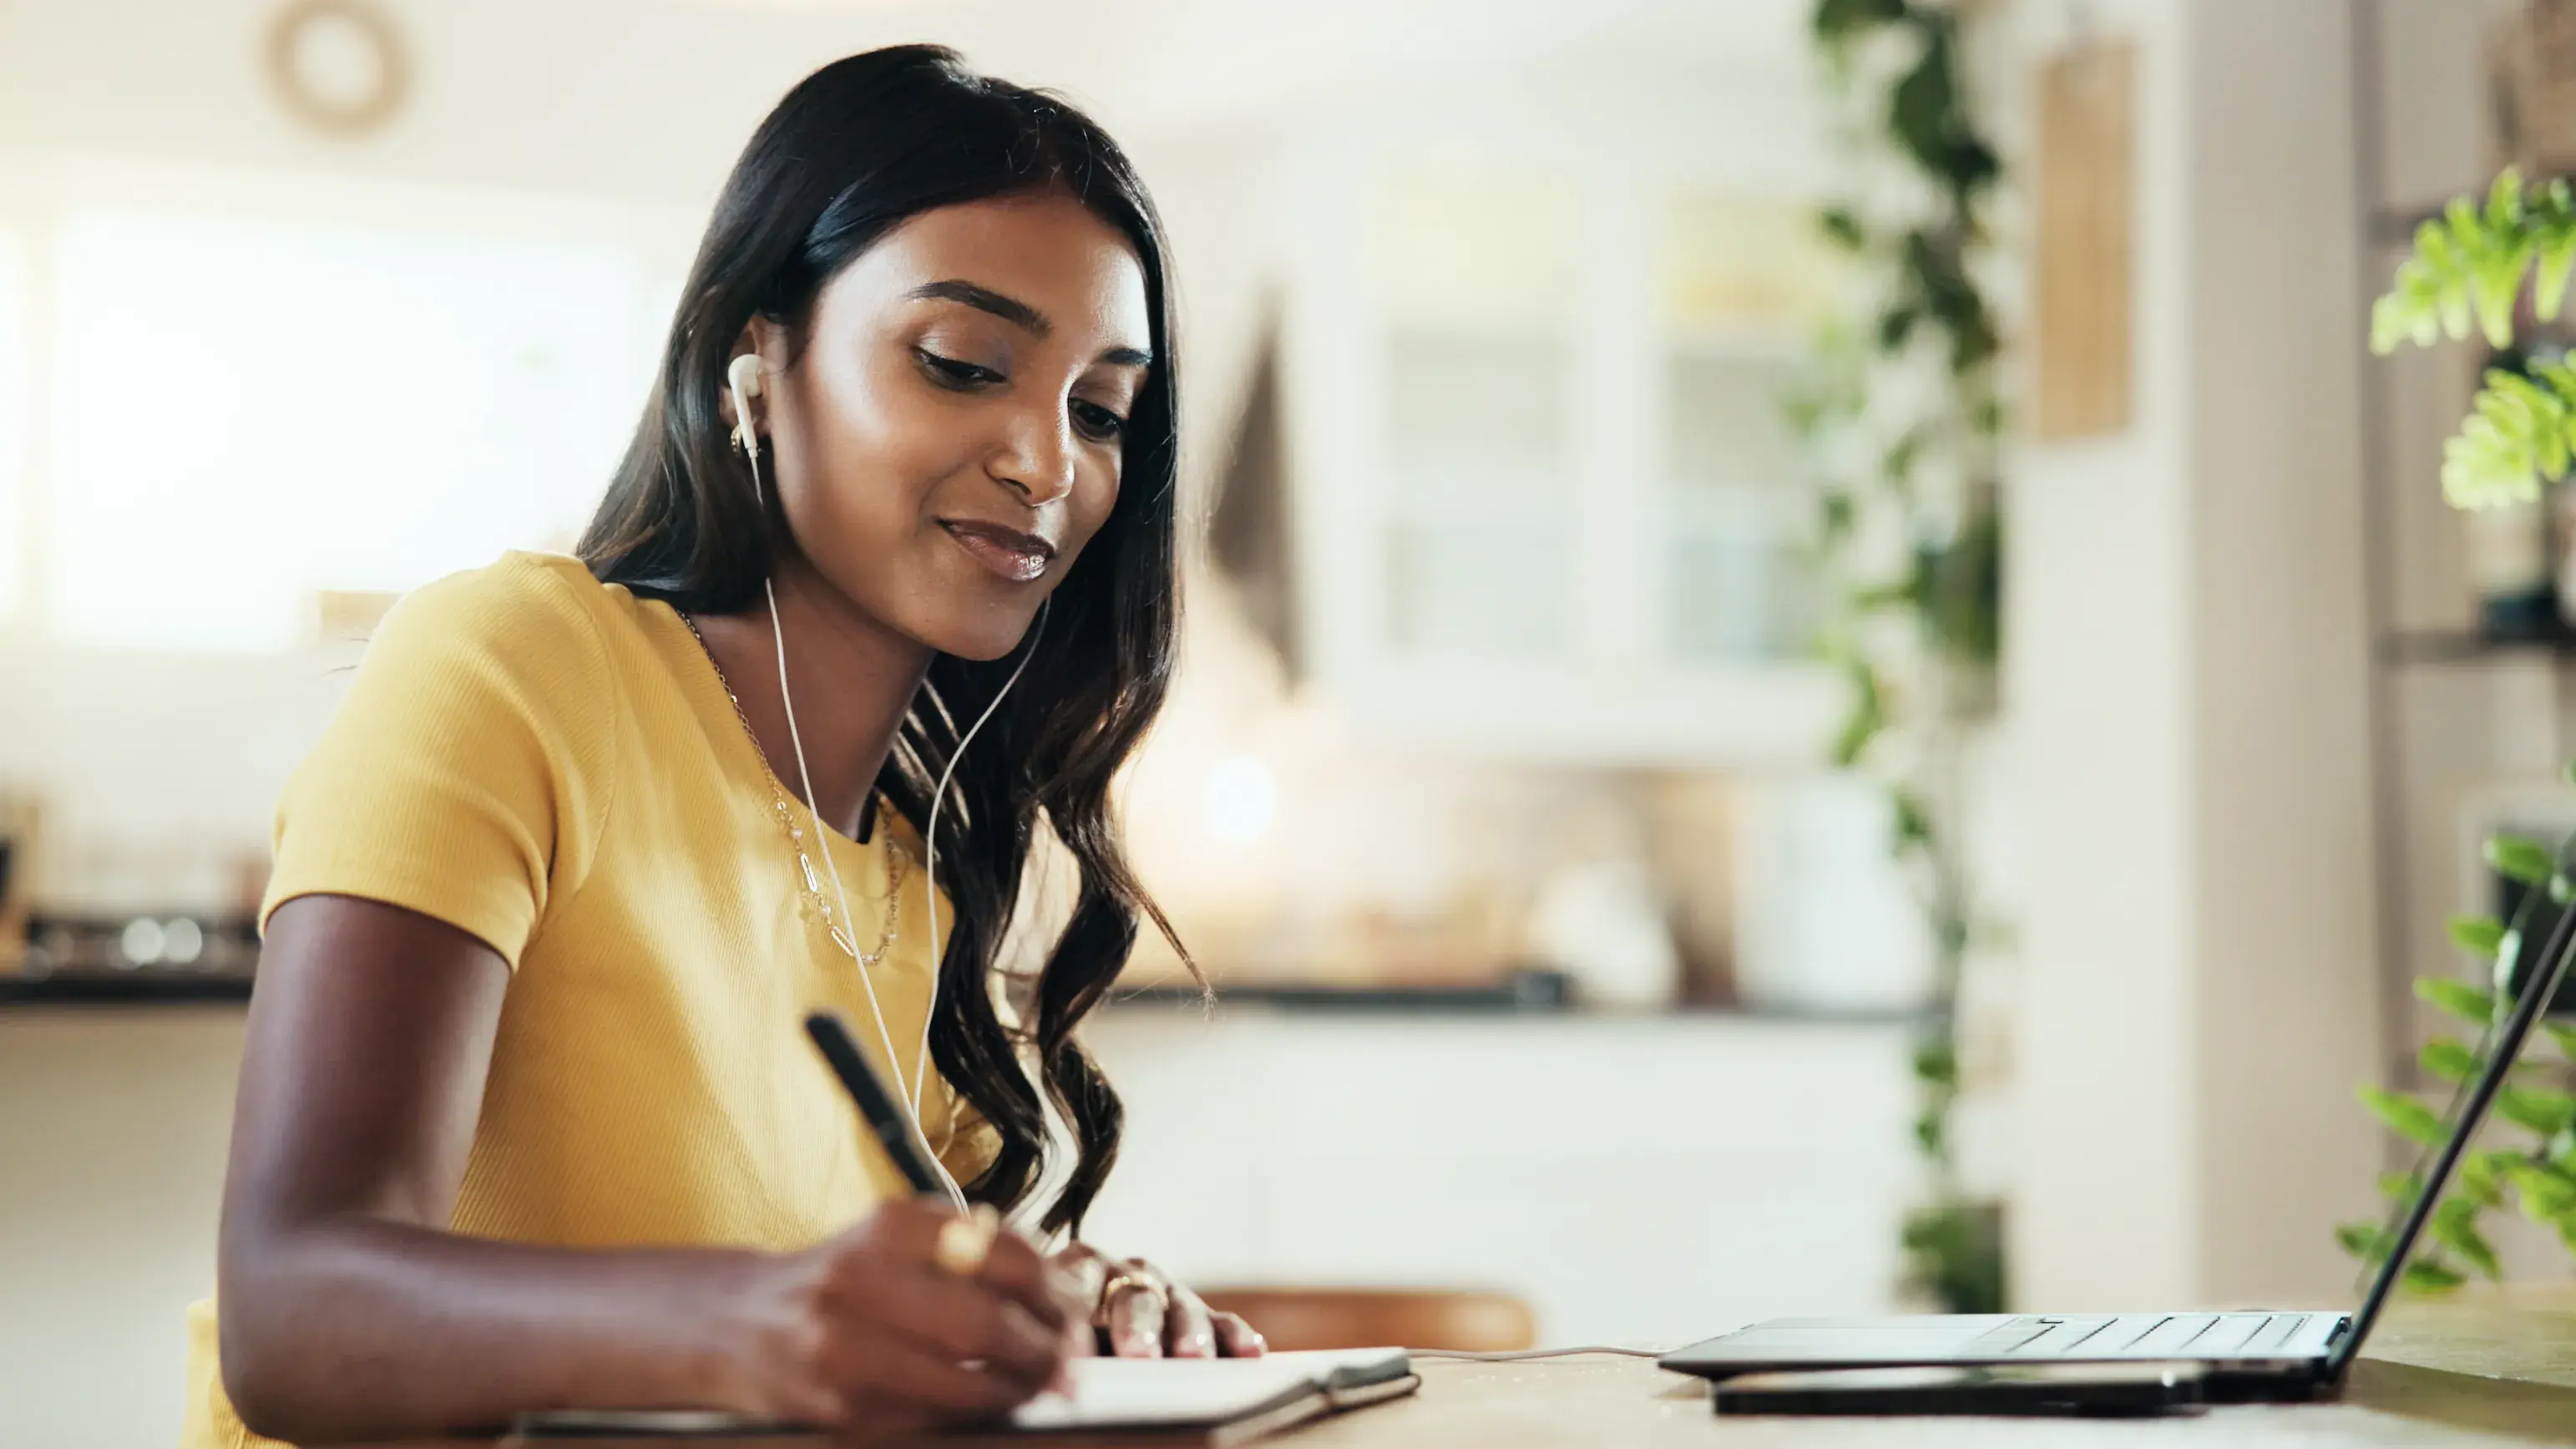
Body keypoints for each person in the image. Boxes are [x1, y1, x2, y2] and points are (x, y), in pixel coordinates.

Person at [182, 44, 1262, 1449]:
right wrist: (763, 1319)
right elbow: (294, 1312)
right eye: (962, 363)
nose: (1049, 462)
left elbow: (839, 1327)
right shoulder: (512, 664)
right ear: (759, 360)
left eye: (1101, 409)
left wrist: (1050, 1301)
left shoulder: (914, 872)